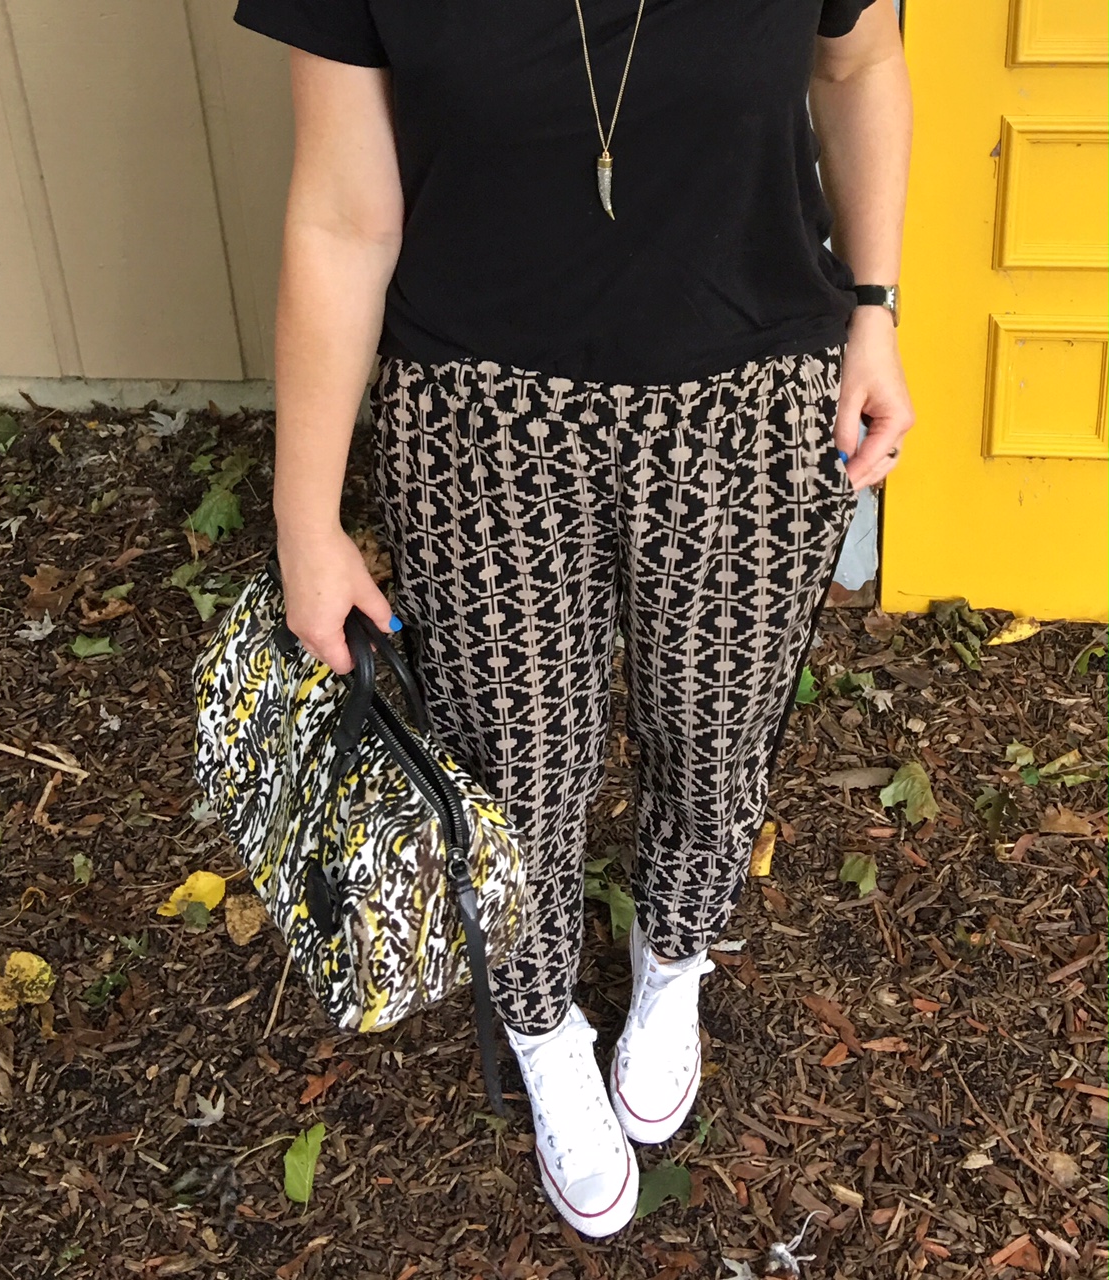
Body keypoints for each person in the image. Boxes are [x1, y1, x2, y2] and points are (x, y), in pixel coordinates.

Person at [235, 0, 913, 1238]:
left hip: (749, 396)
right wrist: (305, 521)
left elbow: (860, 60)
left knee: (716, 730)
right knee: (514, 765)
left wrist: (874, 302)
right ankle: (543, 1022)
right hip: (478, 413)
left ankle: (672, 959)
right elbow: (339, 215)